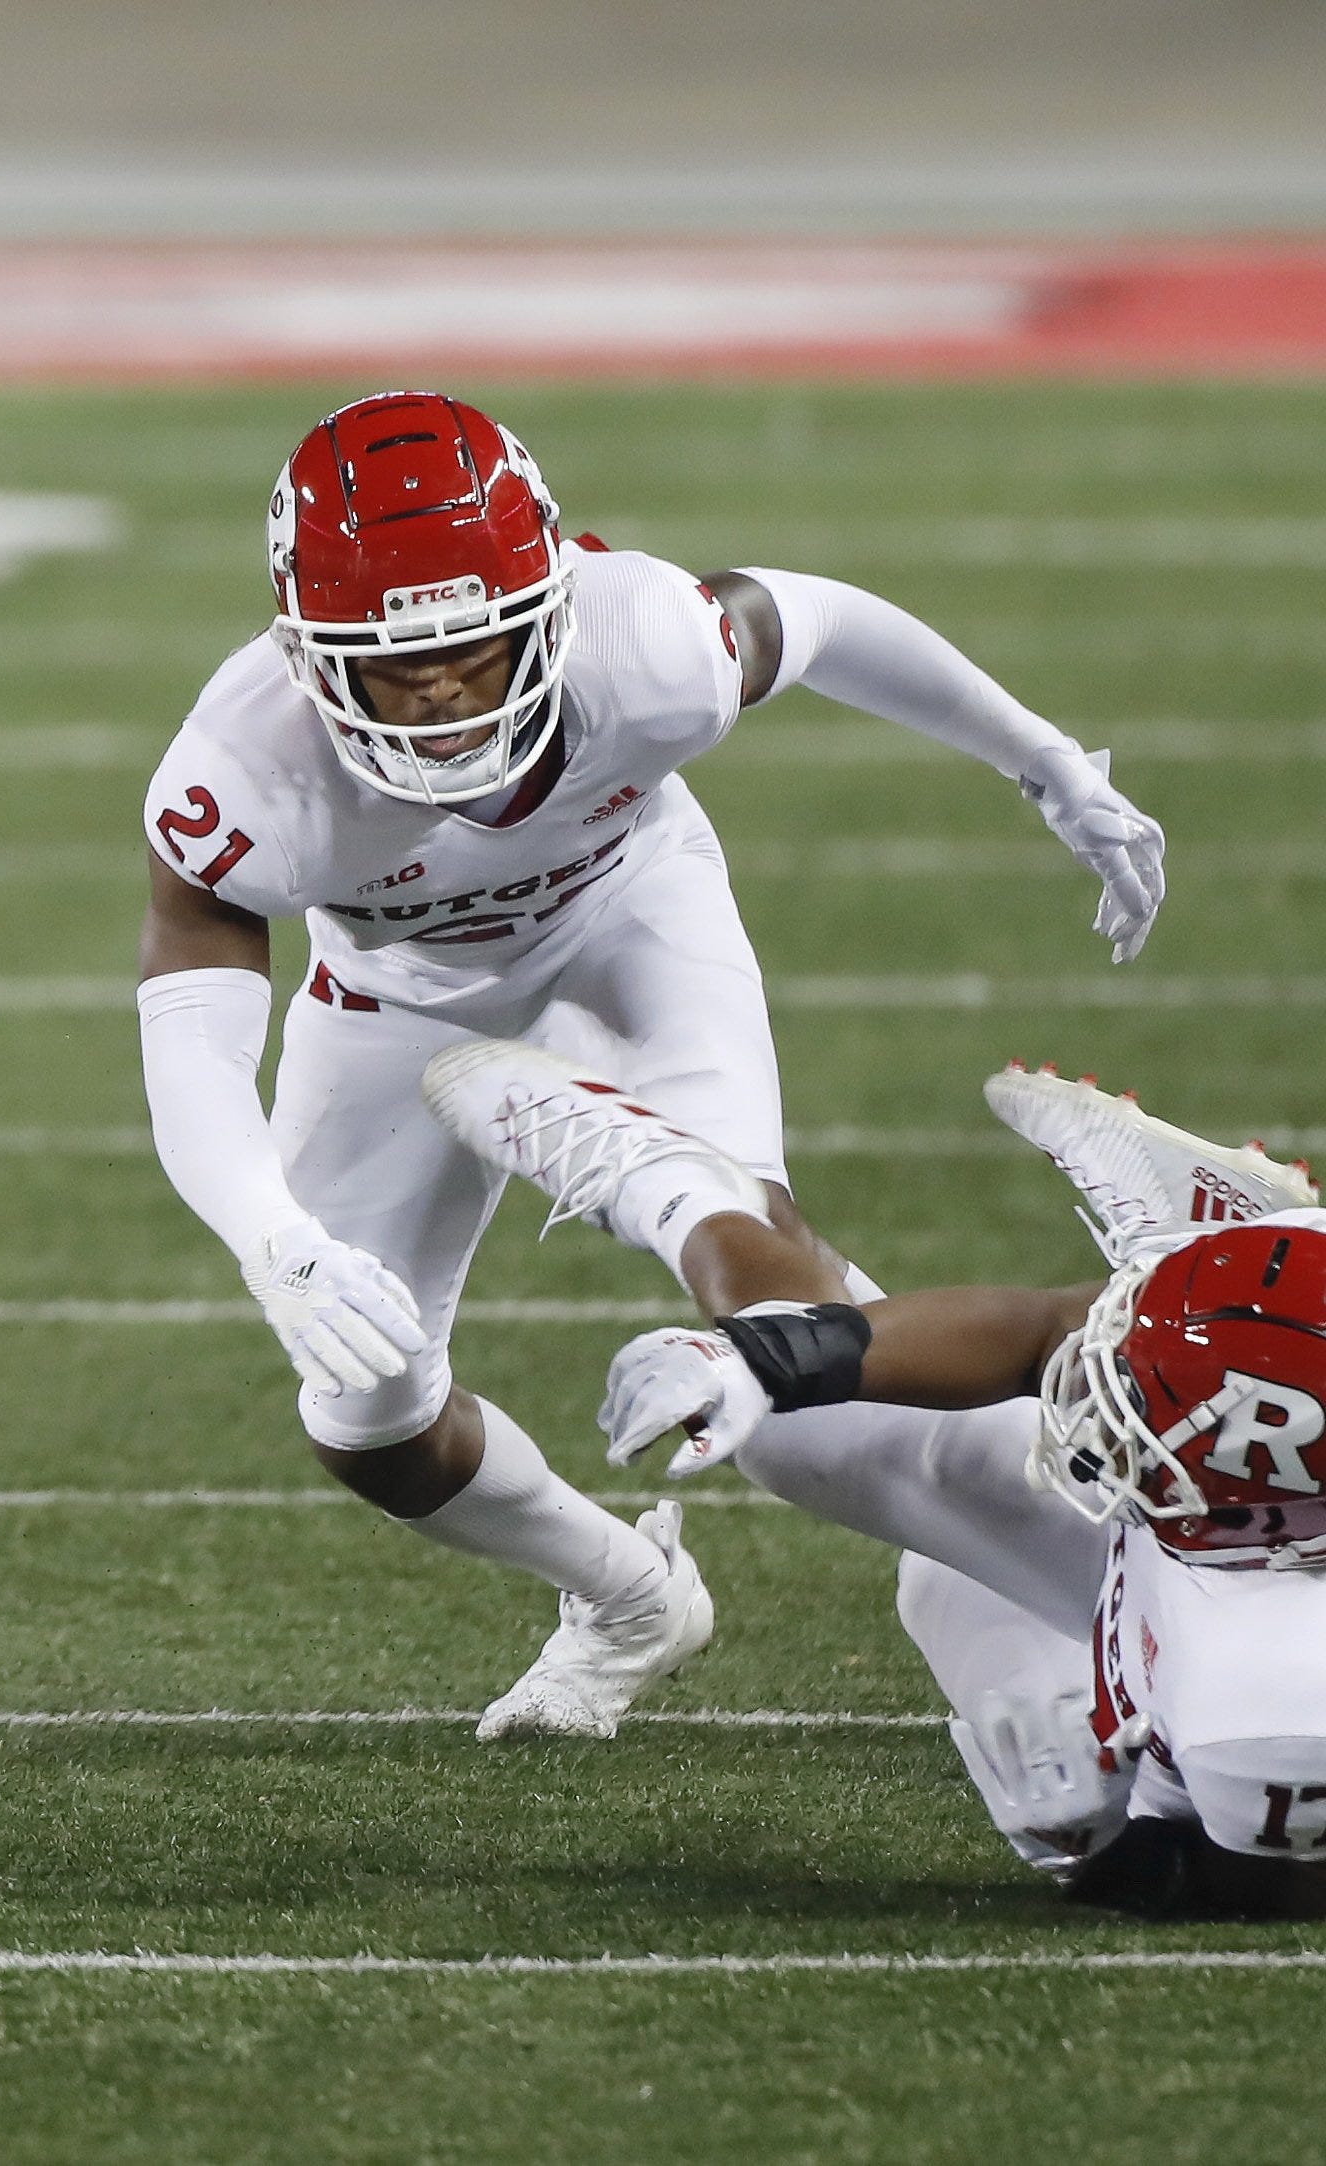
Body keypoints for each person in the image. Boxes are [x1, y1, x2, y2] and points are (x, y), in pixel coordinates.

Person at [137, 389, 1167, 1739]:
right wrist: (272, 1236)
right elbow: (190, 1037)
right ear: (306, 652)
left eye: (476, 645)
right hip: (394, 991)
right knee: (367, 1416)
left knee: (754, 1277)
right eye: (400, 662)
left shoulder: (649, 643)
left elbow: (830, 622)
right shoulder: (240, 772)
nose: (443, 686)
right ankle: (626, 1591)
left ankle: (1113, 1578)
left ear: (551, 609)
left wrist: (1042, 761)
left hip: (630, 914)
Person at [438, 1052, 1325, 1917]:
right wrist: (765, 1359)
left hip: (1249, 1656)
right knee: (798, 1428)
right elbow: (1043, 1332)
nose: (1100, 1416)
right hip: (1241, 1561)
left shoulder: (1271, 1686)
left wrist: (1113, 1849)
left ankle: (1199, 1242)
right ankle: (673, 1190)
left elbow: (1252, 1888)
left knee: (1049, 1760)